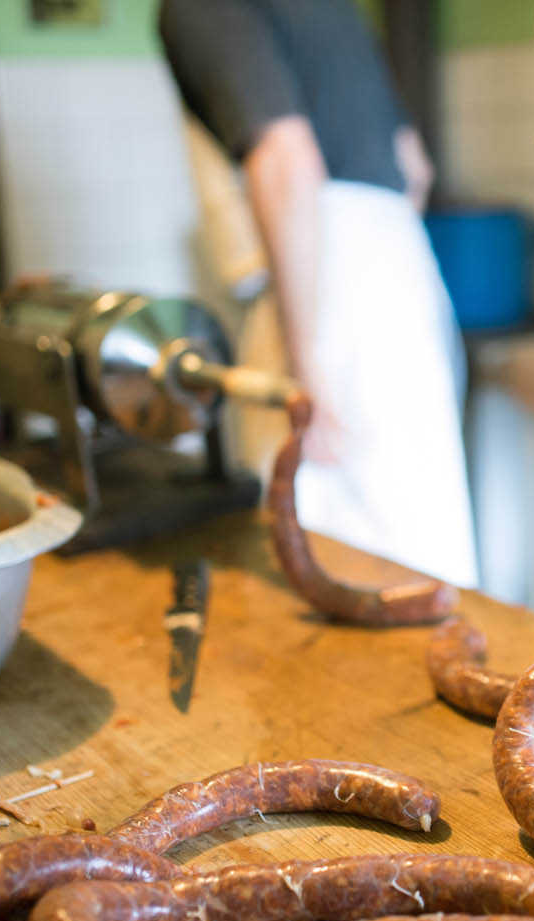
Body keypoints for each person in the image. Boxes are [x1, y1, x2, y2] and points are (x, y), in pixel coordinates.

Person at [159, 0, 478, 589]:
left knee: (327, 553)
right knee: (422, 538)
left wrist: (305, 362)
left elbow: (286, 158)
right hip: (399, 268)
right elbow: (414, 167)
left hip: (324, 281)